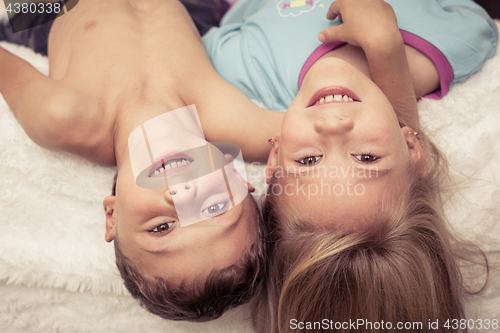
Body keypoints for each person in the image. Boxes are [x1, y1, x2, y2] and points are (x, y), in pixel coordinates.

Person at [202, 0, 498, 331]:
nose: (333, 126)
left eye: (309, 160)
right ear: (412, 149)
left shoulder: (242, 73)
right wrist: (386, 49)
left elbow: (229, 23)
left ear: (274, 158)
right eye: (367, 158)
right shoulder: (451, 44)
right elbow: (477, 22)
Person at [0, 0, 285, 322]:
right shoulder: (234, 121)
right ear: (240, 180)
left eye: (162, 227)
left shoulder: (63, 117)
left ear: (112, 216)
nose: (183, 195)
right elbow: (327, 134)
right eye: (215, 207)